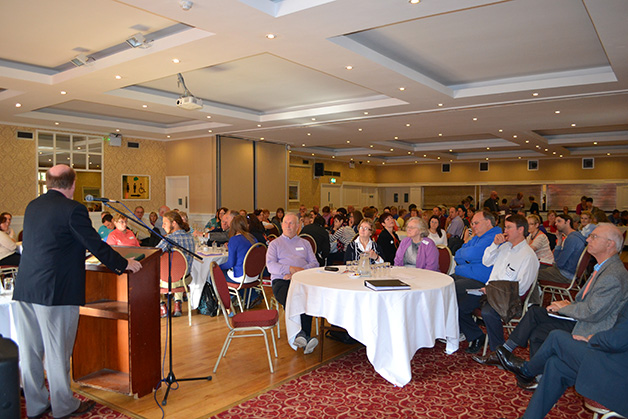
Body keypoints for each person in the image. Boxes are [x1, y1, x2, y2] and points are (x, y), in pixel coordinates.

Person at [13, 165, 142, 419]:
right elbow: (93, 243)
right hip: (55, 291)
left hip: (26, 287)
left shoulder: (32, 206)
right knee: (58, 351)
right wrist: (123, 263)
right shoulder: (74, 209)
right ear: (72, 185)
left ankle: (37, 405)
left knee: (30, 351)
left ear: (48, 183)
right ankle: (63, 406)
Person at [494, 223, 628, 389]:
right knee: (535, 312)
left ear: (610, 244)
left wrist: (564, 307)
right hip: (584, 317)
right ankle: (524, 364)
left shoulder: (613, 275)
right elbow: (591, 303)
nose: (587, 239)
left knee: (540, 330)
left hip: (590, 327)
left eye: (594, 237)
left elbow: (593, 312)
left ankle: (532, 372)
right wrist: (568, 304)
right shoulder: (604, 267)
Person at [497, 302, 628, 419]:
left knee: (556, 337)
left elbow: (617, 340)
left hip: (618, 377)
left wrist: (592, 338)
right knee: (556, 365)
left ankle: (526, 371)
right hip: (616, 364)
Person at [465, 214, 539, 362]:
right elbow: (486, 262)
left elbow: (522, 288)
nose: (505, 230)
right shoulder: (504, 247)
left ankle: (498, 353)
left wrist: (494, 290)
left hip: (510, 299)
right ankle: (477, 336)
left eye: (509, 227)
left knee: (488, 312)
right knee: (459, 301)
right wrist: (494, 245)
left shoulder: (528, 256)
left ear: (520, 230)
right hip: (490, 293)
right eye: (505, 227)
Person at [266, 213, 319, 354]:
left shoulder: (305, 243)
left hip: (302, 280)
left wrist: (299, 272)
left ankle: (302, 335)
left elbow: (315, 263)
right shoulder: (274, 244)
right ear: (282, 225)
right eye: (286, 222)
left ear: (298, 226)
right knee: (292, 299)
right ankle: (303, 335)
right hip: (282, 281)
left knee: (306, 299)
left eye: (292, 223)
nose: (288, 226)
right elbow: (271, 266)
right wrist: (289, 270)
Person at [157, 210, 195, 318]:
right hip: (185, 278)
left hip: (168, 281)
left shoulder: (169, 239)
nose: (163, 226)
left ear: (174, 223)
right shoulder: (190, 238)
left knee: (149, 277)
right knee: (177, 269)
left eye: (165, 223)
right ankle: (178, 303)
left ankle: (162, 306)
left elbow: (155, 253)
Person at [537, 213, 586, 285]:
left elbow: (559, 263)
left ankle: (533, 295)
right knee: (541, 267)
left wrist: (558, 244)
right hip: (571, 272)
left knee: (533, 273)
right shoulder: (577, 235)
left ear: (568, 222)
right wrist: (559, 240)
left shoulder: (571, 239)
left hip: (565, 274)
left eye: (559, 221)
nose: (556, 224)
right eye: (556, 222)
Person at [219, 215, 257, 284]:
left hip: (241, 276)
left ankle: (229, 295)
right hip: (254, 275)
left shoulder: (234, 240)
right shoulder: (253, 238)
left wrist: (218, 266)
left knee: (214, 274)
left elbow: (230, 263)